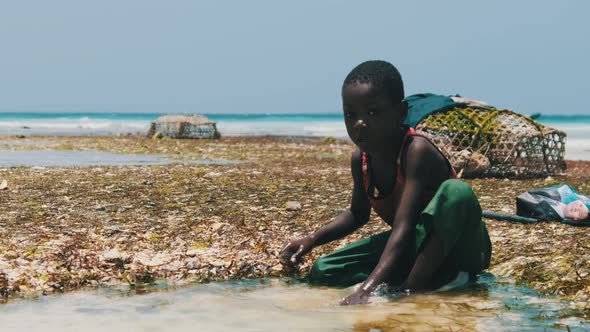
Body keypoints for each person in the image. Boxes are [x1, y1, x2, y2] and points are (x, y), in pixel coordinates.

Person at [279, 60, 492, 305]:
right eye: (351, 114)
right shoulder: (361, 159)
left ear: (401, 112)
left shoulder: (415, 151)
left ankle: (413, 289)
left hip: (460, 249)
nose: (360, 123)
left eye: (373, 113)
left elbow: (404, 227)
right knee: (325, 270)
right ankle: (427, 279)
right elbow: (357, 214)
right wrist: (312, 239)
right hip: (414, 246)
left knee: (457, 191)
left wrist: (368, 288)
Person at [517, 184, 590, 222]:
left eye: (579, 213)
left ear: (575, 219)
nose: (576, 208)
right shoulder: (559, 196)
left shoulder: (544, 214)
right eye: (580, 205)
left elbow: (522, 199)